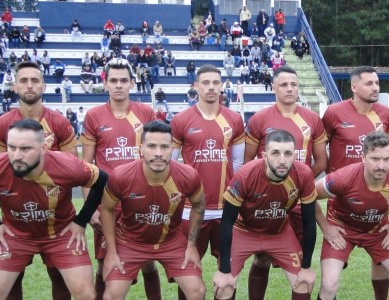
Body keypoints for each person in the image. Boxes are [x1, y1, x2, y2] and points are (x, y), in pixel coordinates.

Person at [0, 119, 107, 300]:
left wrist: (81, 221)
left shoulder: (68, 165)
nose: (16, 155)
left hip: (61, 234)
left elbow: (102, 181)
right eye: (11, 147)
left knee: (86, 294)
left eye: (25, 149)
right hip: (15, 235)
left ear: (44, 147)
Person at [243, 66, 328, 299]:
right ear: (273, 88)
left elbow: (321, 161)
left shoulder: (312, 119)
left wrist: (297, 184)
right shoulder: (260, 119)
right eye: (283, 85)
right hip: (266, 201)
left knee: (300, 260)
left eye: (294, 84)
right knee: (262, 256)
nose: (290, 89)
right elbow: (248, 162)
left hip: (299, 202)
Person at [79, 58, 159, 300]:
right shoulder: (93, 116)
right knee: (106, 264)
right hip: (108, 206)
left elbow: (158, 156)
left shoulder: (146, 112)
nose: (119, 85)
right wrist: (90, 209)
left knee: (148, 263)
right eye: (113, 80)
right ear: (105, 84)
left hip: (142, 203)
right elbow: (87, 169)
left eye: (124, 80)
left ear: (132, 83)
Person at [100, 120, 206, 300]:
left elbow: (199, 205)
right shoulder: (121, 175)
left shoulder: (188, 175)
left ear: (172, 148)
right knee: (112, 296)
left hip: (171, 242)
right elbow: (106, 209)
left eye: (164, 147)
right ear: (140, 148)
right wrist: (111, 252)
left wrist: (191, 246)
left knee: (197, 291)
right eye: (151, 146)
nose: (158, 153)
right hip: (130, 243)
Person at [213, 129, 317, 300]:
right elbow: (226, 222)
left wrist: (306, 267)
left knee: (303, 282)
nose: (282, 160)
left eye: (288, 153)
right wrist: (224, 270)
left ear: (295, 155)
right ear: (264, 154)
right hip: (243, 231)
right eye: (275, 153)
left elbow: (309, 221)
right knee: (224, 286)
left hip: (279, 232)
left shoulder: (304, 174)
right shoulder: (245, 175)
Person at [170, 65, 245, 298]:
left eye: (216, 82)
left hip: (226, 209)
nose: (211, 87)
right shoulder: (181, 120)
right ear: (196, 86)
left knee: (228, 274)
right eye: (205, 82)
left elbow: (239, 165)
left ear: (222, 86)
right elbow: (171, 166)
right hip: (192, 210)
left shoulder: (234, 119)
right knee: (188, 272)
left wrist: (235, 201)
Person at [315, 131, 389, 300]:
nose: (381, 165)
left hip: (378, 231)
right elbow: (309, 195)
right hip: (343, 232)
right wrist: (326, 228)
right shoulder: (342, 178)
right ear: (363, 158)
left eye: (387, 159)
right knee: (328, 285)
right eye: (375, 159)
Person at [320, 66, 389, 298]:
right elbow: (323, 151)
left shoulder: (385, 114)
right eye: (369, 83)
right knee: (333, 270)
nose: (376, 88)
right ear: (353, 87)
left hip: (376, 196)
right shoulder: (334, 112)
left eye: (377, 83)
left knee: (381, 262)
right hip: (341, 199)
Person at [0, 61, 77, 157]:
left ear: (44, 87)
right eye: (23, 81)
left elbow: (73, 167)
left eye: (35, 81)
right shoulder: (2, 123)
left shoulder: (60, 122)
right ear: (15, 87)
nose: (30, 86)